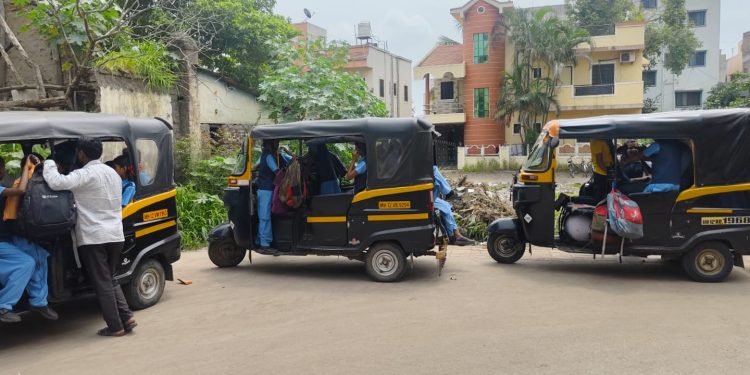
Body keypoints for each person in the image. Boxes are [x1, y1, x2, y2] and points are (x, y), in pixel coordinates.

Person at [43, 138, 135, 337]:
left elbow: (56, 182)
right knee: (109, 279)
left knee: (102, 283)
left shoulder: (84, 174)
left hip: (94, 237)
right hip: (115, 235)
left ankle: (115, 326)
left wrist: (49, 161)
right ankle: (127, 317)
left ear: (82, 154)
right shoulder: (113, 173)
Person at [0, 154, 58, 323]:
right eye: (1, 166)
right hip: (2, 242)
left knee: (39, 254)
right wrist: (26, 168)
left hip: (8, 237)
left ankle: (39, 302)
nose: (3, 170)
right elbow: (20, 190)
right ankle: (3, 306)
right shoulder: (13, 185)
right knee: (26, 263)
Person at [433, 166, 475, 246]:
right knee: (433, 169)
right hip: (423, 199)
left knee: (446, 206)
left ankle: (456, 233)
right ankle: (455, 235)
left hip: (429, 197)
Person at [257, 140, 282, 250]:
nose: (277, 146)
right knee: (265, 217)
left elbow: (254, 167)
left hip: (262, 189)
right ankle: (265, 244)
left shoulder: (263, 156)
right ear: (271, 145)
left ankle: (261, 239)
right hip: (266, 190)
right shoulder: (269, 157)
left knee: (263, 216)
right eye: (276, 144)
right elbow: (277, 172)